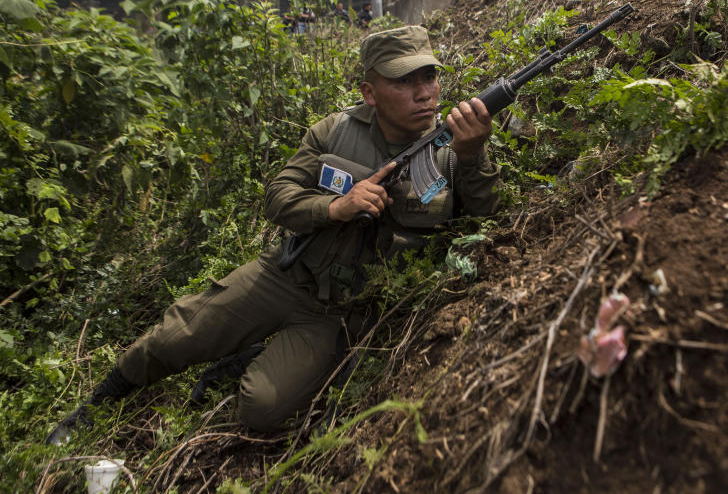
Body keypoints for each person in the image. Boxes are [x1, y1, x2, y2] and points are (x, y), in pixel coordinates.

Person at [46, 25, 500, 443]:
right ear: (370, 92)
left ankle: (248, 359)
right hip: (288, 273)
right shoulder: (333, 132)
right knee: (175, 337)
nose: (424, 93)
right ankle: (97, 403)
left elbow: (483, 224)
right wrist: (335, 206)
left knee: (260, 408)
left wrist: (474, 155)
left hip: (339, 314)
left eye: (429, 77)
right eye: (404, 82)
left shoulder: (457, 146)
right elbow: (278, 195)